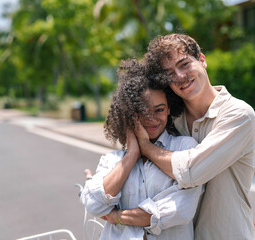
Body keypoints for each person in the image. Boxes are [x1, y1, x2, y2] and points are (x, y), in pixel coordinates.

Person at [132, 34, 255, 239]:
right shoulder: (169, 119)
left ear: (202, 60)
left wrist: (146, 146)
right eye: (169, 73)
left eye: (184, 64)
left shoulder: (238, 115)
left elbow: (191, 171)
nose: (180, 76)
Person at [80, 59, 203, 240]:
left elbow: (180, 210)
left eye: (159, 110)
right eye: (143, 112)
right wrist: (132, 155)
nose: (152, 119)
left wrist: (116, 216)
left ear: (168, 109)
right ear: (129, 113)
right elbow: (94, 206)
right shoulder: (112, 159)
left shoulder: (185, 148)